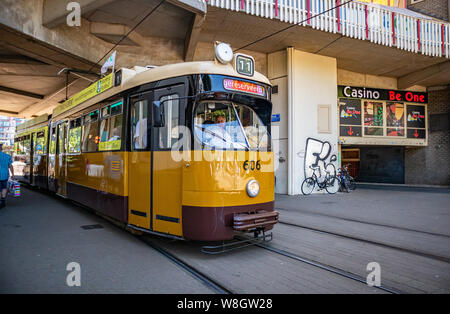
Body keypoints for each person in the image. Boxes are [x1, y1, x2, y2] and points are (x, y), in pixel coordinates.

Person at [0, 144, 14, 208]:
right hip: (5, 175)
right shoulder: (7, 156)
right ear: (1, 149)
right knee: (4, 188)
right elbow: (11, 166)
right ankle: (3, 201)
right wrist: (13, 174)